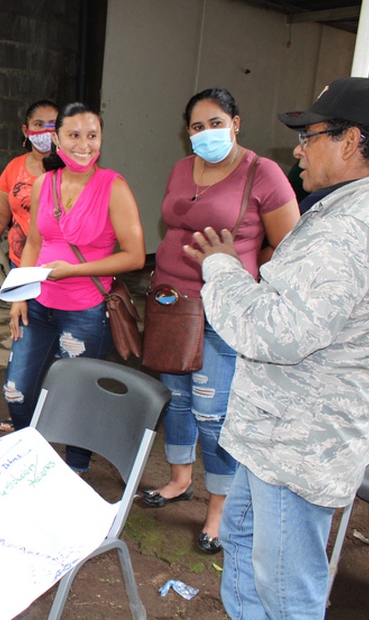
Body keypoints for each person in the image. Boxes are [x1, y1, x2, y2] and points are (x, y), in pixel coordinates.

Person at [182, 77, 369, 619]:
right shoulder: (338, 210)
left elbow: (276, 331)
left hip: (299, 444)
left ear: (351, 140)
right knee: (241, 540)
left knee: (289, 592)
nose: (299, 148)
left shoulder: (347, 228)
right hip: (278, 435)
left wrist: (220, 267)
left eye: (310, 135)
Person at [141, 88, 299, 555]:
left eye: (215, 123)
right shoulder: (180, 168)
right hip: (171, 304)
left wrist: (246, 275)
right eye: (196, 126)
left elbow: (287, 246)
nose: (205, 133)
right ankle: (178, 480)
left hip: (221, 311)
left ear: (235, 122)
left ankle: (219, 506)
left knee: (214, 412)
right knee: (176, 400)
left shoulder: (262, 172)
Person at [5, 102, 145, 471]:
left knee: (75, 399)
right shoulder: (44, 184)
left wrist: (74, 271)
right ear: (56, 139)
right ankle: (31, 461)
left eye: (92, 135)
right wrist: (19, 294)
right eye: (74, 135)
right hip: (37, 304)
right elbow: (33, 242)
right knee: (17, 390)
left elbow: (134, 256)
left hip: (85, 311)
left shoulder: (113, 187)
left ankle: (75, 472)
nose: (84, 144)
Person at [0, 99, 58, 433]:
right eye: (39, 124)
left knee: (61, 354)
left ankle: (56, 422)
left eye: (53, 124)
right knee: (26, 348)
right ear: (25, 130)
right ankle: (24, 418)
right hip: (24, 272)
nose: (45, 132)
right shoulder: (14, 169)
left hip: (62, 275)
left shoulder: (71, 170)